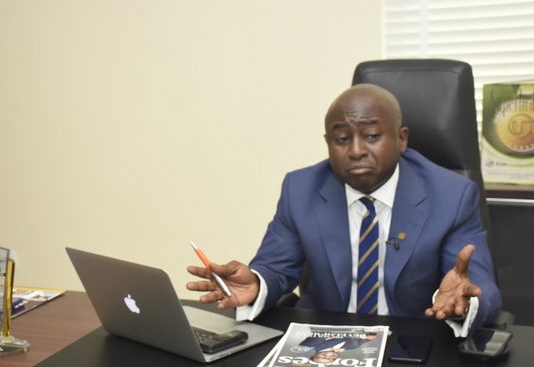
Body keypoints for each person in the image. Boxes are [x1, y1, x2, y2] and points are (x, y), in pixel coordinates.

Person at [187, 83, 502, 337]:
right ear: (328, 142)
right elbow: (276, 267)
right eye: (342, 139)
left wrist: (466, 301)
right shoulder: (301, 189)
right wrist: (257, 285)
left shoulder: (452, 195)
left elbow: (477, 282)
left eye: (372, 136)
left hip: (413, 343)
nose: (356, 150)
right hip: (323, 342)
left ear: (401, 139)